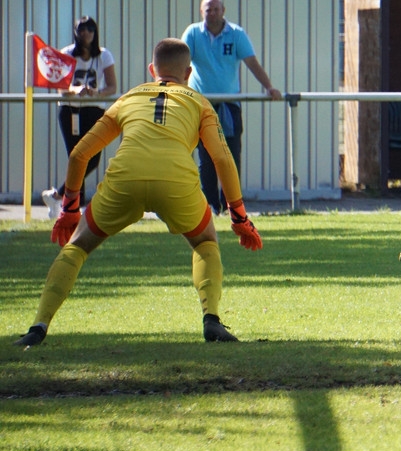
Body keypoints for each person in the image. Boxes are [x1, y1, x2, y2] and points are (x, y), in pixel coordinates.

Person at [13, 38, 263, 348]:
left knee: (76, 247)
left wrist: (69, 210)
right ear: (188, 73)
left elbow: (79, 154)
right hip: (176, 181)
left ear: (151, 70)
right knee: (205, 242)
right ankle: (211, 319)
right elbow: (222, 159)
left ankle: (38, 326)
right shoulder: (199, 102)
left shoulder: (129, 97)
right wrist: (239, 218)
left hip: (125, 179)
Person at [181, 0, 283, 214]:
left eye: (216, 9)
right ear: (202, 12)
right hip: (202, 104)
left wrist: (269, 86)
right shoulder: (192, 33)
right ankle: (210, 205)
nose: (212, 13)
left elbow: (251, 62)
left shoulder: (236, 34)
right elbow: (181, 62)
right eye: (208, 9)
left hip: (229, 105)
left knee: (230, 155)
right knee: (206, 156)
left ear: (223, 10)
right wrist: (171, 87)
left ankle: (231, 204)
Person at [41, 17, 118, 219]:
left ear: (96, 32)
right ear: (76, 32)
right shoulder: (66, 54)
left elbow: (112, 86)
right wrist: (75, 90)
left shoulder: (104, 55)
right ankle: (75, 207)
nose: (86, 33)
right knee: (77, 157)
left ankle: (57, 195)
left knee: (92, 158)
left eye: (90, 29)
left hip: (94, 110)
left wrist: (96, 93)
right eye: (82, 29)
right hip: (70, 110)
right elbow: (60, 88)